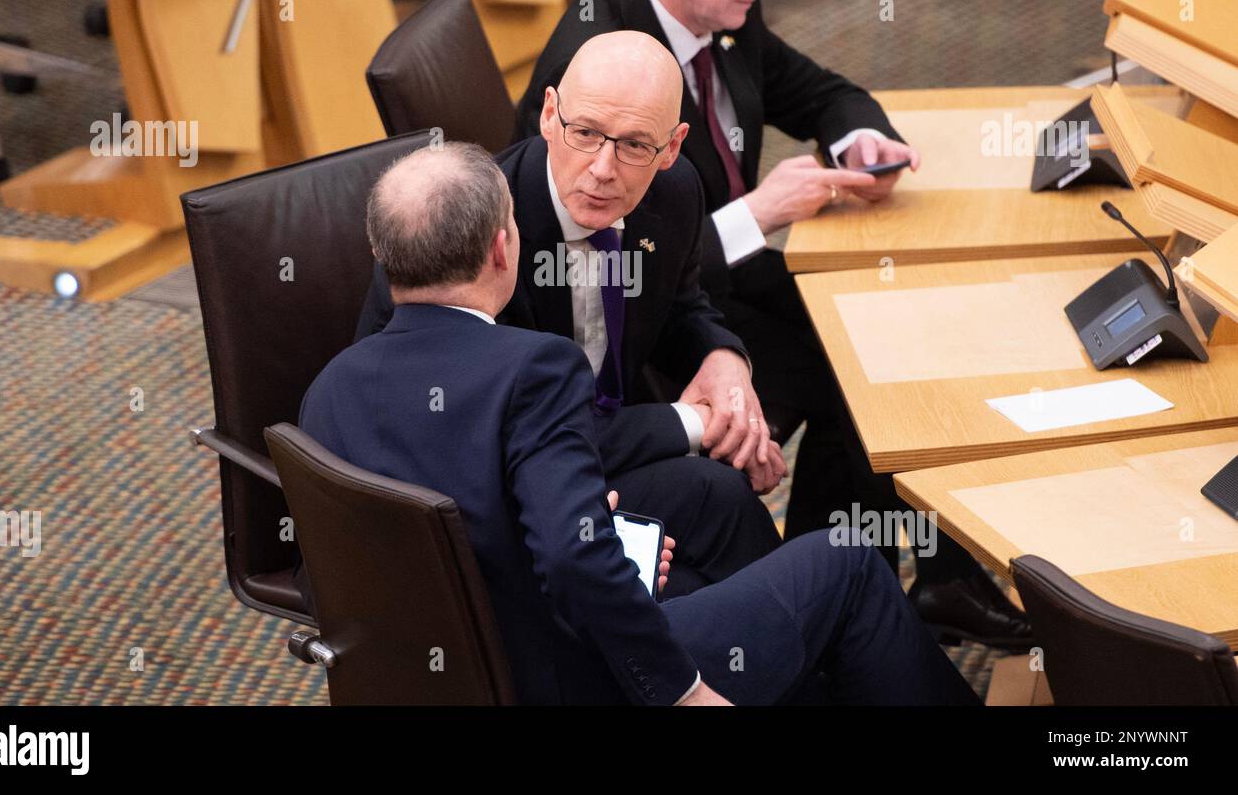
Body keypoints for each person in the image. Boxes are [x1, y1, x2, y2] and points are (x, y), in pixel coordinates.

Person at [512, 0, 1030, 648]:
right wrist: (759, 212)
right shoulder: (600, 77)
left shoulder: (720, 9)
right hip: (626, 338)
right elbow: (604, 271)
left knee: (879, 349)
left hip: (708, 292)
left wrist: (861, 141)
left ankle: (904, 582)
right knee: (860, 379)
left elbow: (821, 92)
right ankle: (838, 594)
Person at [304, 141, 980, 705]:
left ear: (380, 252)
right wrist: (680, 688)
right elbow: (571, 562)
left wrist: (581, 523)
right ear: (502, 248)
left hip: (442, 672)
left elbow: (421, 523)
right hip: (571, 678)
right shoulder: (538, 368)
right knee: (850, 564)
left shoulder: (328, 388)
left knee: (708, 498)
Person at [355, 31, 786, 596]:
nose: (604, 168)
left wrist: (723, 360)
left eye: (634, 145)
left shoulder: (673, 191)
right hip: (485, 491)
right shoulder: (480, 239)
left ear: (673, 147)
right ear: (550, 115)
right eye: (584, 134)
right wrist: (702, 425)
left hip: (590, 448)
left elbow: (680, 306)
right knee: (715, 521)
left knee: (728, 509)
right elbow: (516, 437)